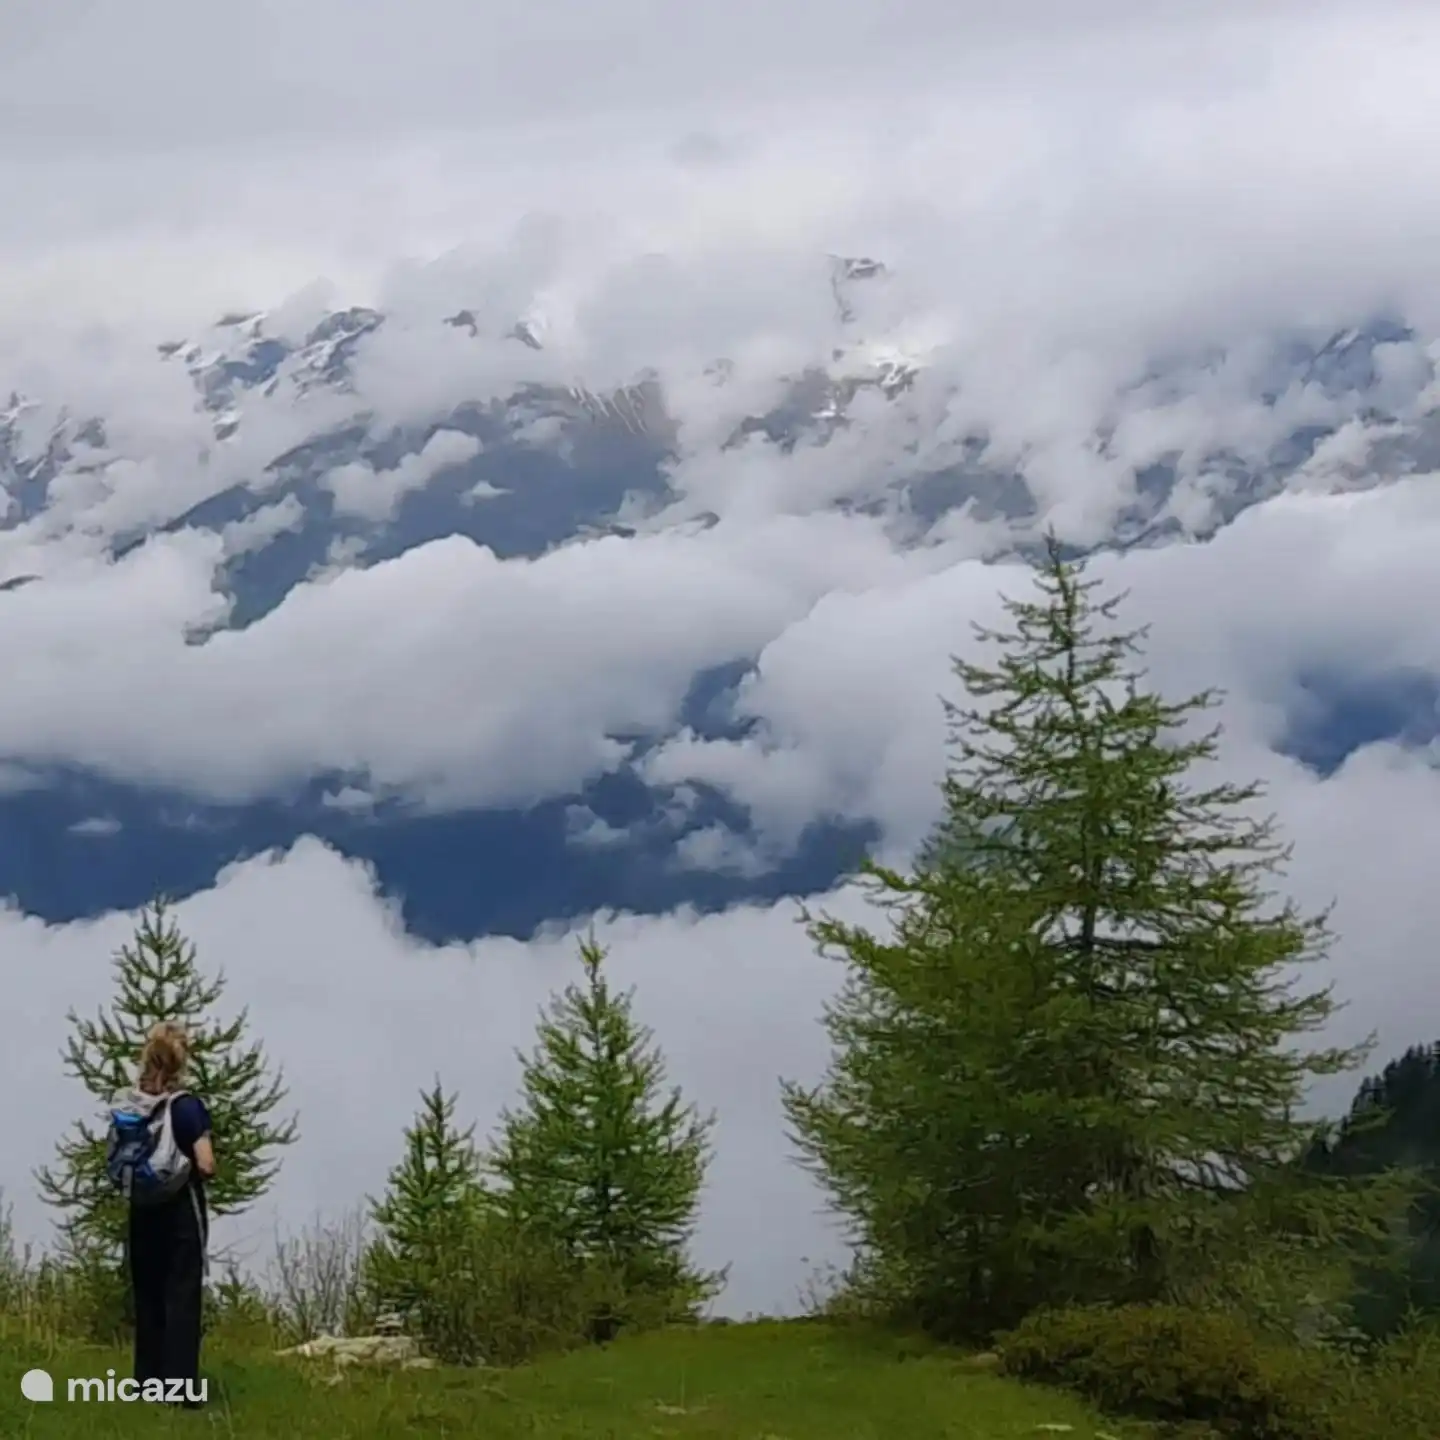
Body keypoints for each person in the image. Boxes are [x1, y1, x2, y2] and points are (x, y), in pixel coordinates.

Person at [124, 1021, 215, 1407]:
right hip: (180, 1215)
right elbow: (206, 1163)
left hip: (142, 1213)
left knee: (148, 1298)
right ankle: (180, 1393)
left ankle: (147, 1386)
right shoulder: (187, 1107)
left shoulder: (135, 1106)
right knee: (181, 1299)